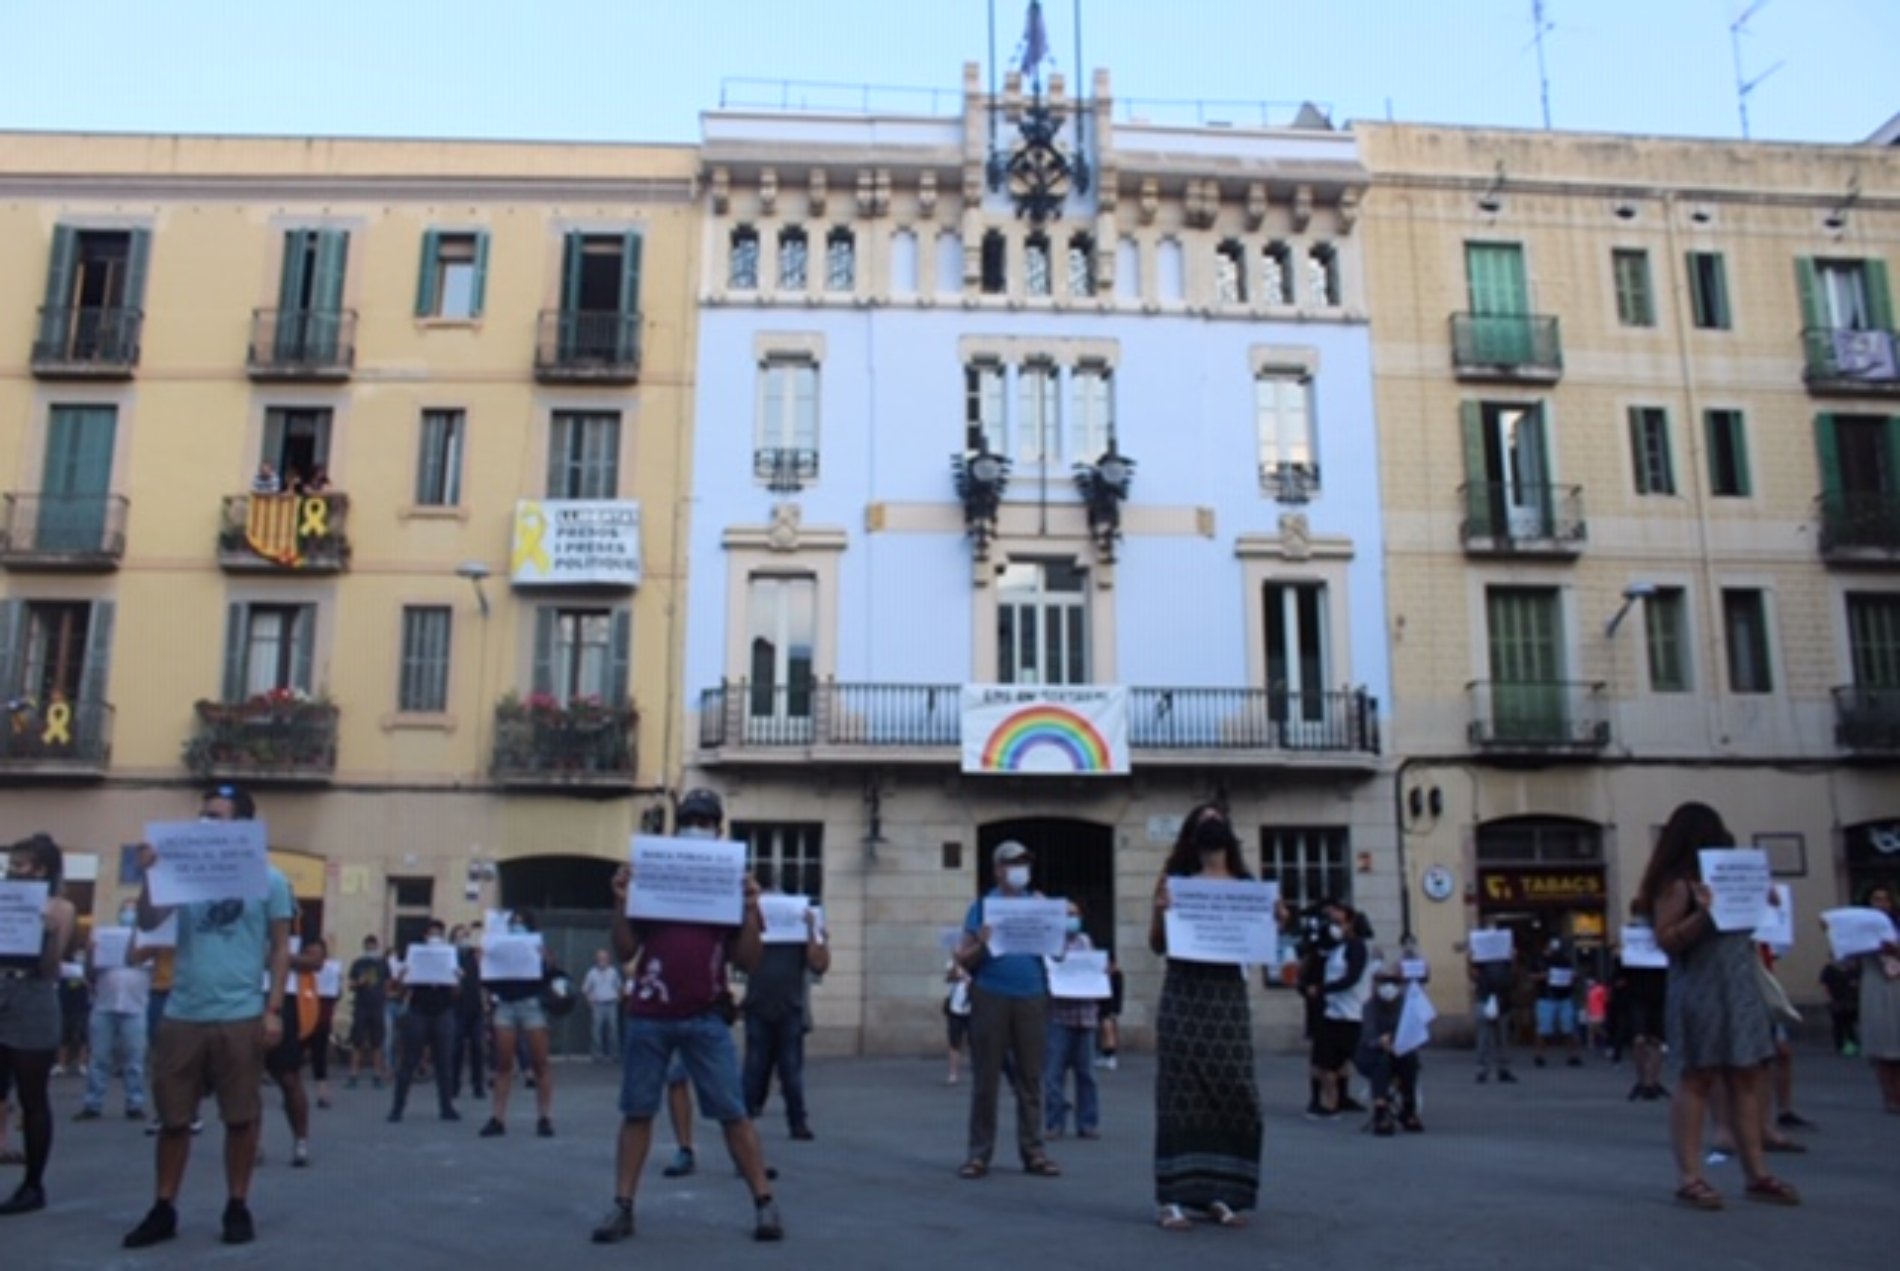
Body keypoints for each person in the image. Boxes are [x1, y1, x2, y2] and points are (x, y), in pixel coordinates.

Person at [592, 787, 783, 1244]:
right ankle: (623, 1206)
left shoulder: (728, 878)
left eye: (705, 819)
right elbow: (625, 948)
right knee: (637, 1110)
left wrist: (751, 908)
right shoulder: (655, 872)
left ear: (717, 828)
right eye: (691, 818)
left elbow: (749, 961)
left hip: (705, 1012)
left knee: (733, 1113)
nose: (697, 825)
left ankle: (764, 1202)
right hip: (650, 1011)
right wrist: (621, 900)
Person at [124, 784, 294, 1247]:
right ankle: (164, 1207)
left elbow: (280, 948)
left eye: (216, 817)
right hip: (184, 1009)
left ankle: (237, 1205)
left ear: (241, 825)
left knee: (241, 1117)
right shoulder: (184, 872)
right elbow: (147, 920)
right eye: (202, 816)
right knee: (173, 1118)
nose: (205, 824)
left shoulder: (271, 879)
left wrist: (274, 1008)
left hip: (239, 1010)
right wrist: (149, 875)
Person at [1637, 801, 1797, 1211]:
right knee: (1698, 1078)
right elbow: (1667, 940)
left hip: (1739, 986)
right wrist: (1704, 915)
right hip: (1701, 987)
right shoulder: (1678, 886)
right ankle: (1690, 1176)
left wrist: (1768, 905)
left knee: (1747, 1075)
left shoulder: (1735, 878)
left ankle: (1756, 1172)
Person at [1149, 805, 1260, 1231]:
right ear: (1192, 836)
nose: (1211, 826)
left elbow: (1259, 944)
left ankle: (1221, 1191)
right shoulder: (1175, 884)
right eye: (1203, 821)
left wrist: (1274, 920)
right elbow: (1157, 944)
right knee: (1181, 1095)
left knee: (1235, 1094)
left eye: (1218, 819)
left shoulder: (1246, 886)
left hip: (1228, 1000)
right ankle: (1172, 1197)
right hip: (1185, 995)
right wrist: (1162, 909)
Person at [954, 840, 1059, 1181]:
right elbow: (963, 958)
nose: (1020, 870)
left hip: (1031, 994)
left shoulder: (1037, 903)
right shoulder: (983, 907)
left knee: (1030, 1077)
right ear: (998, 869)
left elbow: (1058, 953)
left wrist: (1054, 920)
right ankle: (979, 1153)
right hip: (991, 994)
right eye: (1014, 863)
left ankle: (1034, 1151)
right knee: (986, 1078)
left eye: (1025, 863)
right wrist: (982, 943)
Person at [0, 834, 79, 1217]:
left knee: (33, 1097)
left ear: (42, 869)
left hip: (33, 997)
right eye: (11, 864)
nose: (13, 871)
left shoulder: (61, 908)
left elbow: (50, 969)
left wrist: (45, 932)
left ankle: (33, 1184)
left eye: (21, 865)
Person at [741, 873, 830, 1141]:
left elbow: (820, 965)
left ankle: (797, 1121)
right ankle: (744, 1120)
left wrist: (814, 931)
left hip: (789, 1008)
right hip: (758, 1007)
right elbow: (739, 960)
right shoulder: (754, 931)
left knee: (791, 1070)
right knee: (754, 1069)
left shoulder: (799, 932)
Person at [479, 910, 554, 1138]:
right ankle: (498, 1117)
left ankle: (544, 1117)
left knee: (540, 1063)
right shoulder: (500, 949)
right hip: (506, 1004)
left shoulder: (536, 947)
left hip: (530, 1004)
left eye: (520, 923)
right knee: (503, 1064)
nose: (516, 927)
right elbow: (489, 980)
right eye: (513, 924)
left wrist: (545, 959)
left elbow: (549, 975)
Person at [78, 899, 153, 1121]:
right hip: (104, 1005)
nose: (128, 915)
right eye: (125, 911)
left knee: (135, 1060)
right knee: (98, 1058)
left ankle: (135, 1103)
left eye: (132, 911)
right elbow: (89, 975)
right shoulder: (105, 938)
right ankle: (92, 1103)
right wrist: (91, 954)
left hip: (135, 1007)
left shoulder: (147, 942)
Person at [388, 921, 459, 1124]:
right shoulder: (415, 956)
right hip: (418, 1010)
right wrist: (403, 976)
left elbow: (456, 993)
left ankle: (446, 1107)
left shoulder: (449, 956)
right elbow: (400, 990)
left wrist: (455, 978)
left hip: (443, 1010)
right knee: (408, 1061)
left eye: (438, 933)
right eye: (431, 933)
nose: (434, 937)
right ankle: (397, 1107)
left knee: (444, 1062)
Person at [1042, 899, 1099, 1140]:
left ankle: (1087, 1123)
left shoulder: (1086, 942)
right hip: (1058, 1016)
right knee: (1053, 1074)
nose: (1072, 918)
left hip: (1085, 1017)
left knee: (1087, 1075)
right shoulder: (1050, 945)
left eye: (1075, 913)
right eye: (1067, 914)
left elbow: (1094, 972)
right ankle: (1054, 1123)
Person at [1310, 899, 1371, 1117]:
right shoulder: (1338, 947)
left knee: (1333, 1063)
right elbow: (1317, 946)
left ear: (1351, 924)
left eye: (1341, 922)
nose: (1337, 926)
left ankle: (1331, 1103)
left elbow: (1351, 978)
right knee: (1327, 1061)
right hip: (1333, 1012)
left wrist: (1325, 989)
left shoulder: (1357, 947)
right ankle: (1329, 1101)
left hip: (1348, 1014)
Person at [1355, 965, 1423, 1136]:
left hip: (1397, 1051)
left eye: (1393, 982)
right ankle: (1380, 1110)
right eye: (1384, 982)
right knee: (1382, 1062)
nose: (1389, 987)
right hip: (1370, 1054)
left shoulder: (1404, 1005)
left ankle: (1409, 1108)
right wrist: (1380, 1040)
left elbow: (1411, 1029)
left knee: (1410, 1059)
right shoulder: (1370, 1006)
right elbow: (1369, 1035)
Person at [1851, 883, 1900, 1113]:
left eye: (1885, 899)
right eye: (1876, 899)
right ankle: (1888, 1097)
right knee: (1882, 1045)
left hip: (1897, 983)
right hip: (1875, 984)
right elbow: (1848, 956)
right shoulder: (1861, 929)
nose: (1881, 904)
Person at [1618, 909, 1670, 1102]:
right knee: (1639, 1040)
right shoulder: (1631, 942)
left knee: (1656, 1041)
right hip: (1637, 995)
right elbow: (1620, 974)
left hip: (1659, 993)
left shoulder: (1662, 936)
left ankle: (1652, 1081)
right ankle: (1643, 1080)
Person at [1469, 934, 1518, 1085]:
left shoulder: (1505, 961)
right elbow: (1472, 975)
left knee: (1501, 1038)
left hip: (1500, 1000)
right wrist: (1470, 958)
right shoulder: (1481, 961)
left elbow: (1513, 976)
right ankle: (1483, 1069)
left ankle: (1500, 1069)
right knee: (1486, 1038)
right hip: (1486, 999)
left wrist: (1514, 958)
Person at [447, 925, 486, 1102]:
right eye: (460, 934)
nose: (463, 937)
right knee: (456, 1048)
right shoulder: (449, 955)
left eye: (466, 935)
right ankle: (454, 1084)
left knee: (478, 1047)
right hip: (456, 1007)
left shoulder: (475, 955)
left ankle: (478, 1085)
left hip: (475, 1007)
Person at [1531, 935, 1583, 1068]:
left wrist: (1572, 977)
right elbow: (1531, 976)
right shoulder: (1539, 960)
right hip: (1546, 997)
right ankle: (1539, 1055)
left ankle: (1573, 1055)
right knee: (1544, 1028)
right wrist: (1544, 976)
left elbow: (1572, 972)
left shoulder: (1564, 959)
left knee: (1569, 1027)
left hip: (1564, 996)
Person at [345, 936, 389, 1090]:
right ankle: (353, 1075)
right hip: (361, 1006)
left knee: (377, 1042)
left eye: (373, 946)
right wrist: (359, 982)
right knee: (357, 1041)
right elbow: (350, 984)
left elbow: (388, 983)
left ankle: (377, 1075)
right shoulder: (358, 963)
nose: (371, 949)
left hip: (377, 1005)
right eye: (368, 946)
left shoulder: (382, 963)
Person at [309, 938, 339, 1109]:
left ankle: (322, 1092)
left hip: (321, 1019)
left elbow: (335, 994)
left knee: (319, 1056)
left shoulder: (330, 969)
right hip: (304, 1017)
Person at [582, 949, 623, 1064]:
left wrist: (619, 999)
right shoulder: (591, 973)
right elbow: (586, 989)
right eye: (600, 958)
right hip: (598, 1005)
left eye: (604, 958)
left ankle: (614, 1055)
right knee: (596, 1031)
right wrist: (589, 1001)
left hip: (611, 1004)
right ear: (596, 959)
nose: (602, 960)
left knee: (613, 1030)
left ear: (608, 959)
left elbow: (619, 987)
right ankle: (597, 1055)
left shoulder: (613, 972)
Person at [1820, 956, 1860, 1057]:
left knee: (1850, 1024)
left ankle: (1852, 1045)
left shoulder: (1853, 969)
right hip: (1836, 1000)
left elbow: (1857, 983)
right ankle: (1841, 1045)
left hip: (1851, 1000)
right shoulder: (1829, 969)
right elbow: (1825, 985)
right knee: (1839, 1024)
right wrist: (1829, 998)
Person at [944, 958, 972, 1085]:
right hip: (955, 1010)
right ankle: (953, 1073)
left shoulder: (977, 961)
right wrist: (958, 967)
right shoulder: (953, 962)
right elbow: (949, 977)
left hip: (973, 1009)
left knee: (976, 1041)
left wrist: (968, 978)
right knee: (954, 1042)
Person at [1095, 954, 1123, 1071]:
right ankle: (1106, 1054)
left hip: (1110, 1007)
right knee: (1104, 1030)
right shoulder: (1106, 976)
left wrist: (1115, 1009)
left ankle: (1111, 1056)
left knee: (1108, 1030)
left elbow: (1117, 994)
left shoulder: (1116, 976)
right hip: (1105, 1006)